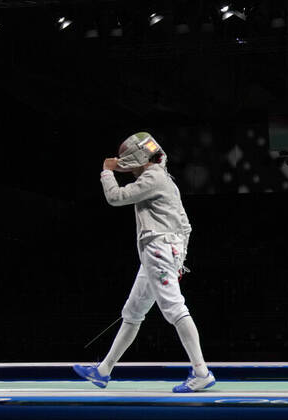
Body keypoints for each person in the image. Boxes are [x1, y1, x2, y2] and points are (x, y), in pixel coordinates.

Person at [73, 132, 215, 393]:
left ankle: (201, 372)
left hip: (157, 250)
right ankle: (103, 371)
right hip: (159, 252)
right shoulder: (165, 179)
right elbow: (185, 225)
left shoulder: (153, 178)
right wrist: (179, 259)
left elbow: (115, 197)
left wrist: (107, 171)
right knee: (132, 313)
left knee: (174, 308)